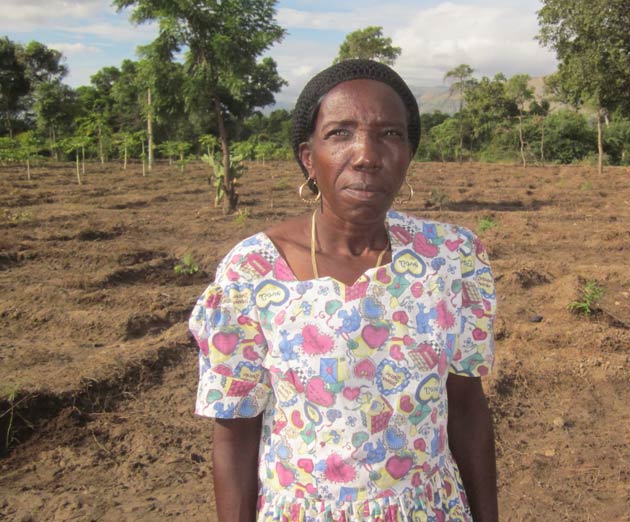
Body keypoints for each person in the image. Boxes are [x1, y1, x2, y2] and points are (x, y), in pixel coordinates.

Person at [189, 59, 498, 522]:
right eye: (340, 133)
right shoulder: (252, 272)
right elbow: (235, 431)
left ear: (409, 153)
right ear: (308, 157)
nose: (367, 155)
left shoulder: (452, 258)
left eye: (390, 134)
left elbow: (468, 407)